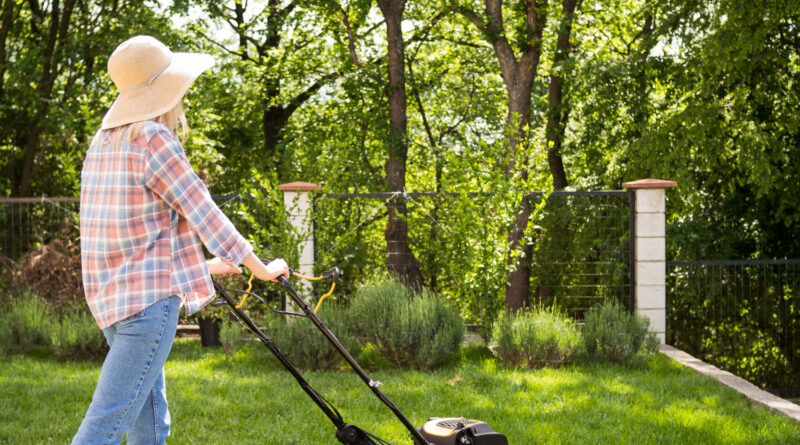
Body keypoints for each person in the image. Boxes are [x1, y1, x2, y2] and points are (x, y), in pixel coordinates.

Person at [72, 35, 289, 445]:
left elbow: (125, 239)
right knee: (103, 427)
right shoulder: (154, 139)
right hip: (147, 312)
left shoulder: (102, 145)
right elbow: (204, 212)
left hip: (112, 307)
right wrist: (260, 268)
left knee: (150, 425)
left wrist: (207, 267)